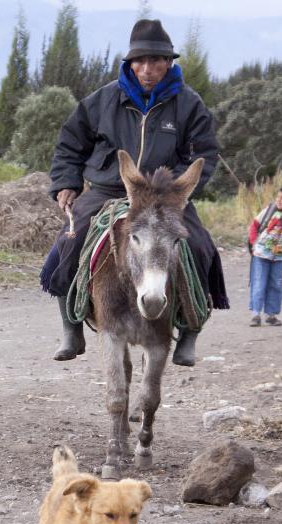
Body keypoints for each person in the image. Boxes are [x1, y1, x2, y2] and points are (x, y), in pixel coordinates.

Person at [40, 18, 228, 367]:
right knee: (69, 241)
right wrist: (66, 182)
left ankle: (190, 328)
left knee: (200, 246)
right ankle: (71, 324)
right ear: (129, 63)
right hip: (108, 190)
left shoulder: (189, 104)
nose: (147, 68)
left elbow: (204, 152)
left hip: (165, 196)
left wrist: (180, 191)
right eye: (139, 61)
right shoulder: (102, 100)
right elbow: (70, 144)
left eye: (156, 61)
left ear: (169, 63)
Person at [246, 185, 282, 327]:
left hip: (279, 258)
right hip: (260, 254)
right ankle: (256, 314)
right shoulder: (269, 211)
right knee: (259, 283)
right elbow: (254, 226)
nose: (279, 200)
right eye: (278, 197)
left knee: (276, 285)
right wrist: (253, 243)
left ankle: (271, 315)